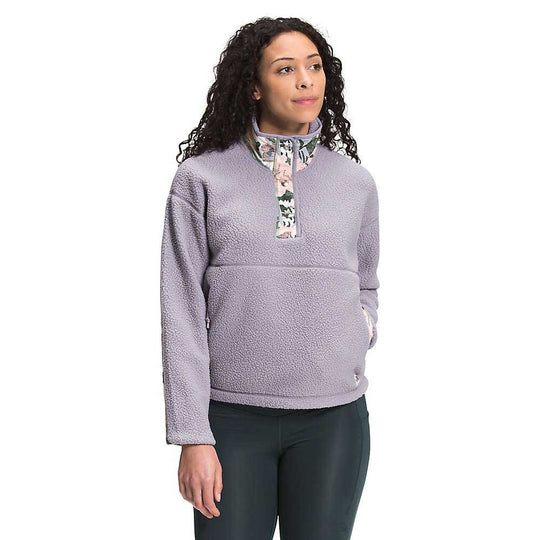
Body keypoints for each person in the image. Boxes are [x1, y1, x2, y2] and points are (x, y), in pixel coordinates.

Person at [160, 16, 380, 540]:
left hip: (334, 420)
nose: (306, 80)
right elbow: (180, 310)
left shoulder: (356, 183)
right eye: (285, 69)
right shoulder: (201, 178)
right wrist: (192, 434)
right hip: (230, 422)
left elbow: (367, 281)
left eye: (315, 66)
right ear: (254, 86)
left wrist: (361, 328)